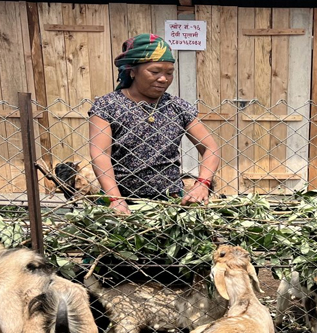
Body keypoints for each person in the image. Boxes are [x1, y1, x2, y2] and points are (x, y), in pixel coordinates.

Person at [89, 33, 220, 215]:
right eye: (155, 71)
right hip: (121, 200)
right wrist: (115, 199)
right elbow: (100, 153)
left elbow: (210, 148)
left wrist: (203, 184)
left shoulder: (178, 107)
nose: (163, 79)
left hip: (170, 202)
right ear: (132, 71)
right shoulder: (108, 106)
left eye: (169, 73)